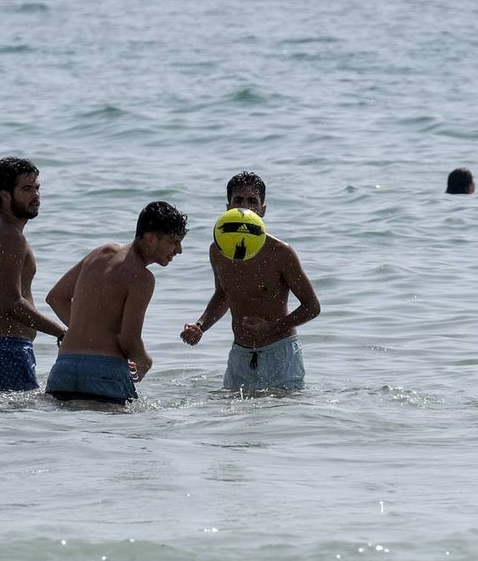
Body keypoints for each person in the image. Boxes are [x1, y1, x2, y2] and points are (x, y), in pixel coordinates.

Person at [181, 171, 321, 391]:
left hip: (280, 353)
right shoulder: (218, 250)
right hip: (240, 354)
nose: (245, 207)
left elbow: (312, 306)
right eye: (238, 201)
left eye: (252, 201)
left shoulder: (280, 253)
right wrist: (200, 326)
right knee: (233, 423)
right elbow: (223, 295)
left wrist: (271, 328)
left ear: (262, 210)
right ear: (228, 207)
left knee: (287, 422)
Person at [44, 202, 189, 404]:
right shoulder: (143, 278)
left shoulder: (101, 252)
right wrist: (145, 361)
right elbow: (129, 340)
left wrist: (87, 331)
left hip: (64, 368)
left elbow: (56, 298)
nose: (179, 250)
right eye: (174, 242)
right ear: (149, 238)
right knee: (121, 432)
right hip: (104, 373)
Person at [0, 156, 67, 392]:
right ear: (5, 195)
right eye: (26, 189)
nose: (36, 196)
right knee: (23, 425)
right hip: (5, 350)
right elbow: (11, 302)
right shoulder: (10, 237)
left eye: (37, 188)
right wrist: (62, 331)